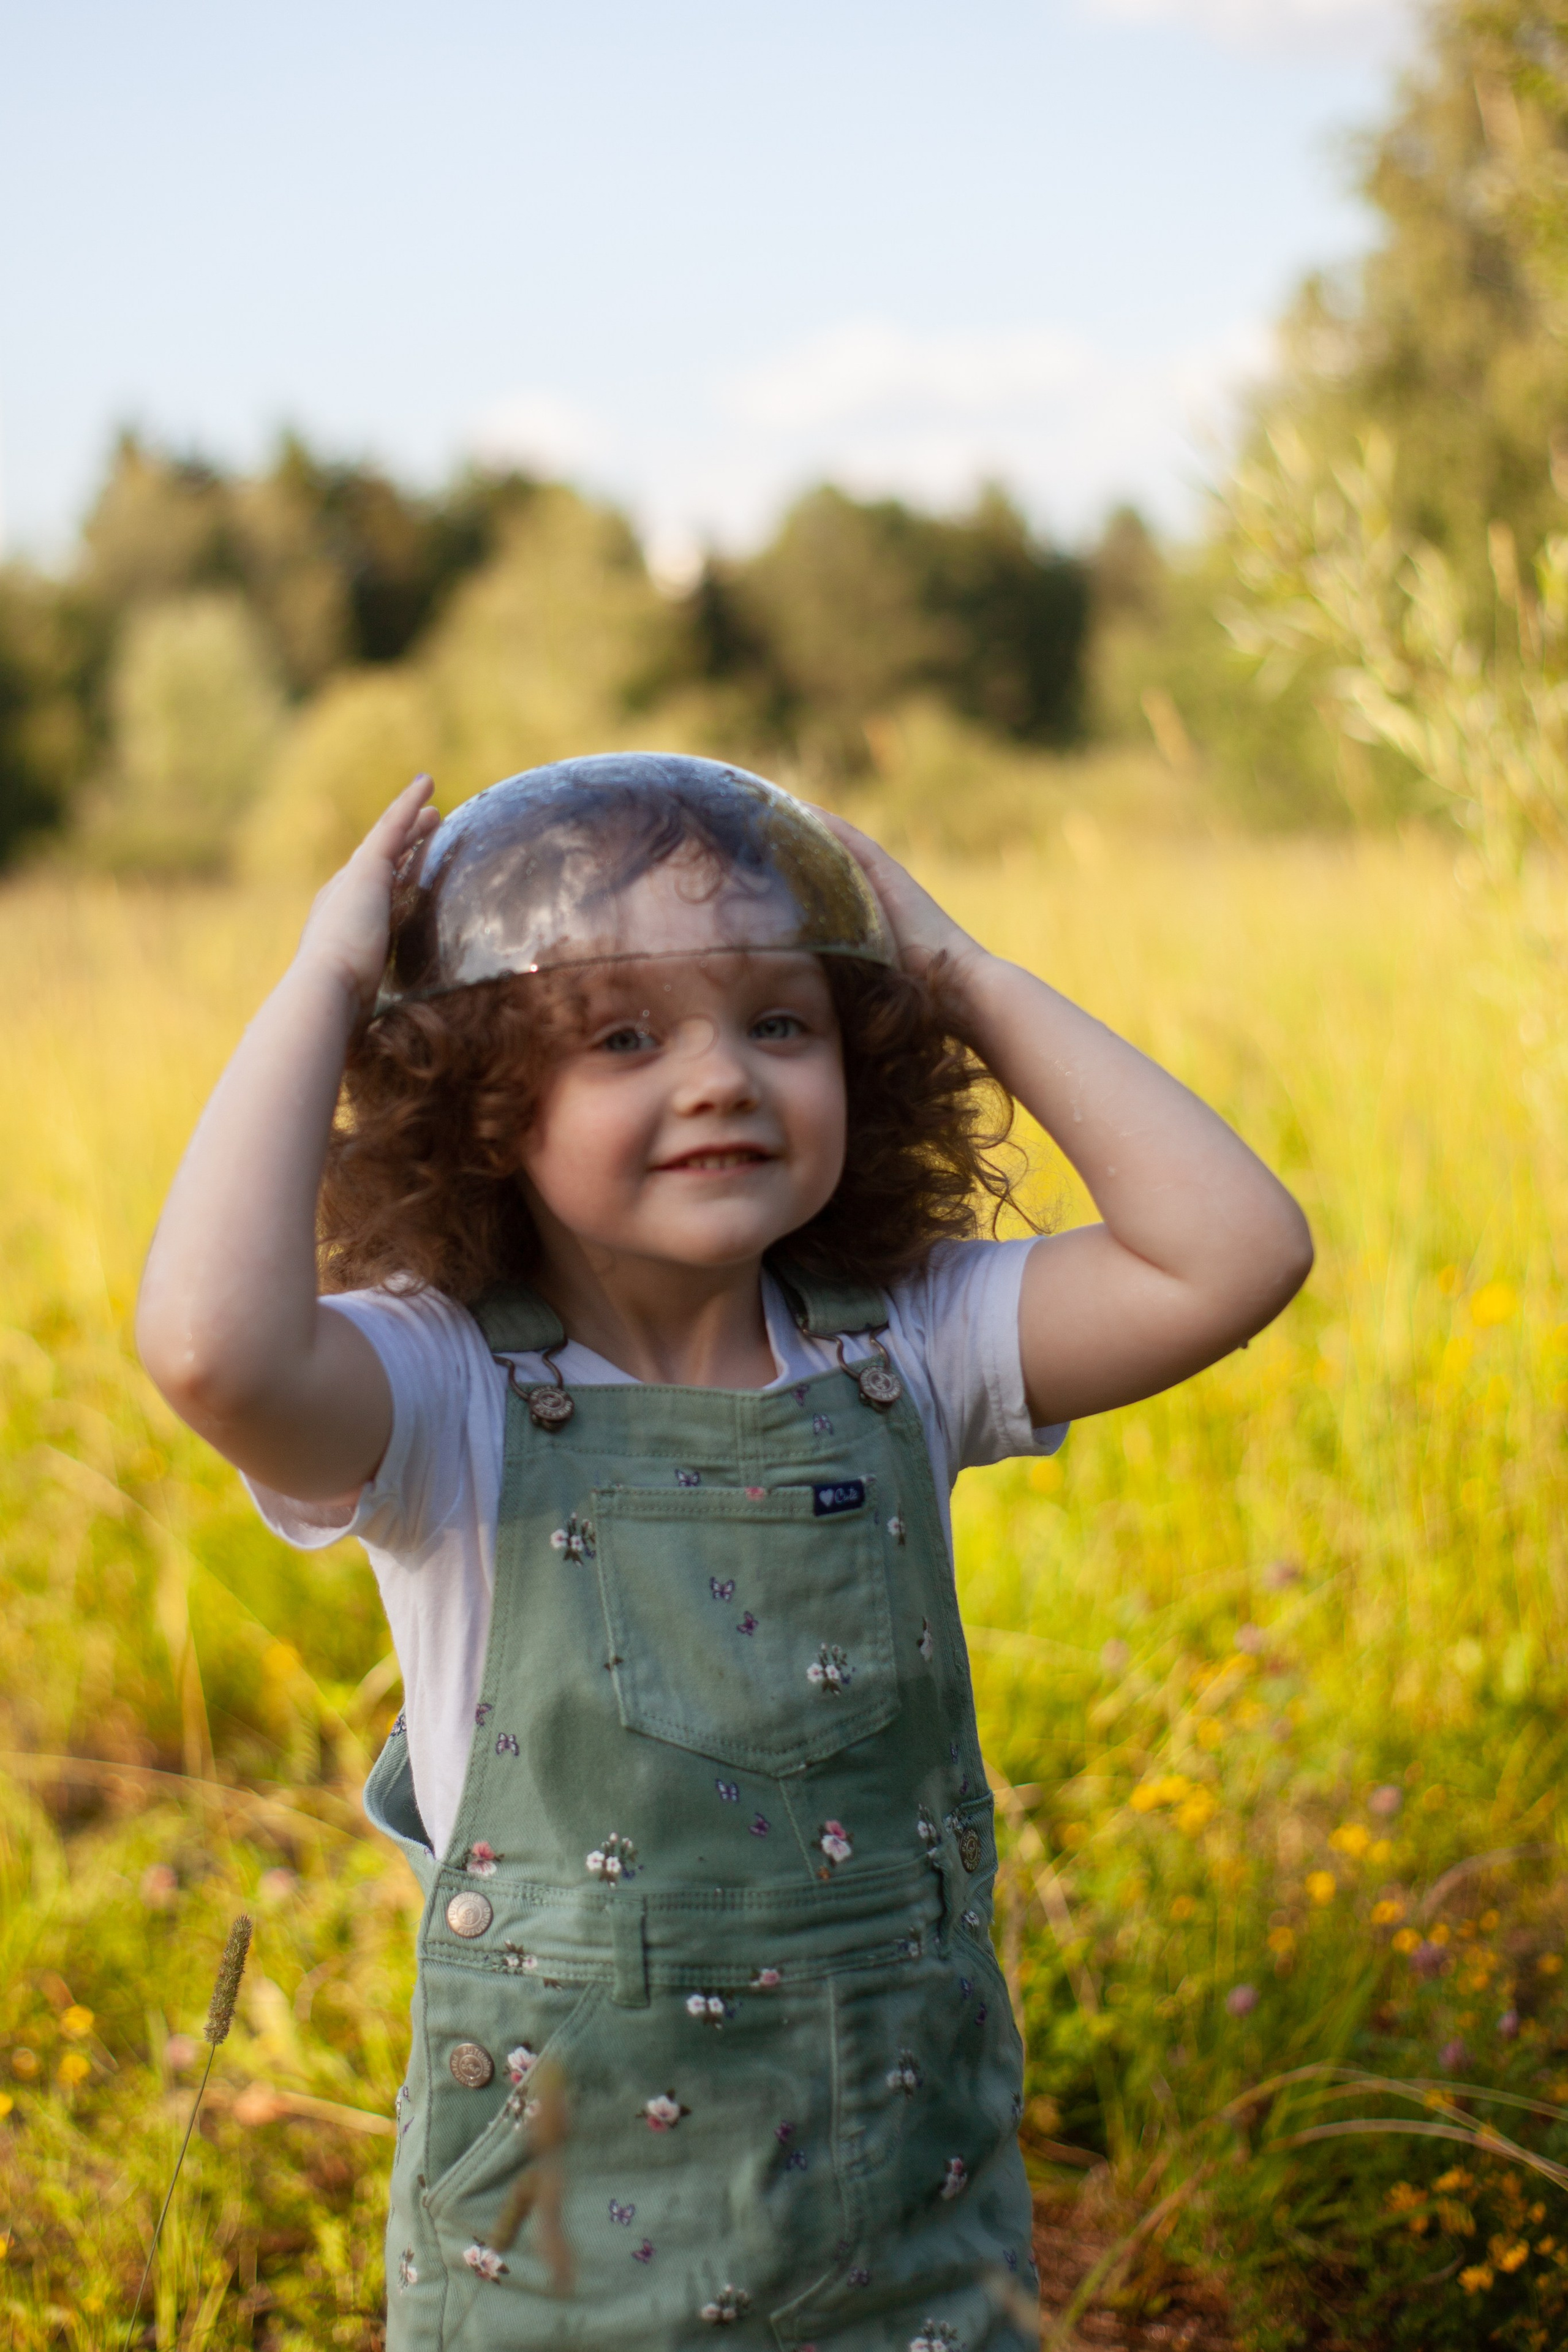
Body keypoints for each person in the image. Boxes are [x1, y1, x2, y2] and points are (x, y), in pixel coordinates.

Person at [137, 753, 1311, 2351]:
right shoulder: (443, 1394)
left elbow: (1237, 1252)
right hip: (563, 2251)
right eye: (624, 1036)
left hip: (907, 2221)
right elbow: (212, 1349)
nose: (721, 1080)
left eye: (781, 1022)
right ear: (481, 1095)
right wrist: (328, 988)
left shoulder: (910, 1343)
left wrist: (959, 973)